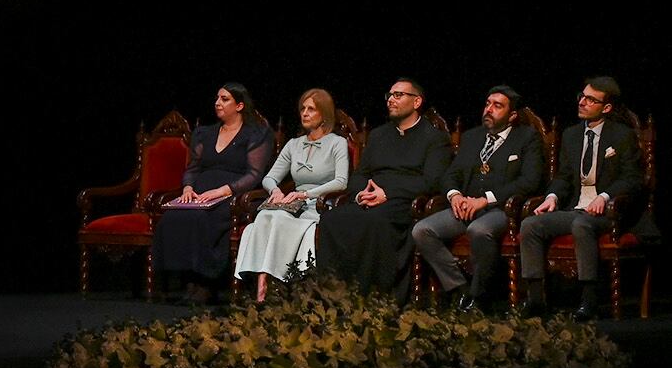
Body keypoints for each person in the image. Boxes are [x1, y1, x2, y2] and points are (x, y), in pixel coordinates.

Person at [409, 85, 546, 312]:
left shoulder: (527, 138)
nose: (489, 110)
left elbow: (530, 181)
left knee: (479, 230)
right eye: (487, 104)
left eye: (497, 106)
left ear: (512, 115)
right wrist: (455, 196)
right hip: (466, 206)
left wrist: (485, 200)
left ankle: (480, 296)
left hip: (503, 210)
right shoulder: (472, 137)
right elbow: (451, 174)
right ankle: (461, 290)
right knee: (422, 230)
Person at [518, 76, 644, 321]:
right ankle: (535, 301)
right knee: (530, 225)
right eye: (582, 96)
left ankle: (589, 299)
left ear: (606, 108)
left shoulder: (622, 135)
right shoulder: (572, 135)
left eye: (590, 99)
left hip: (609, 213)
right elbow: (564, 175)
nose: (582, 102)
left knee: (582, 224)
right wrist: (552, 196)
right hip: (576, 207)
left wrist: (605, 197)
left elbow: (633, 178)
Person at [317, 78, 453, 301]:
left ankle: (372, 296)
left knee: (373, 222)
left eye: (398, 95)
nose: (391, 99)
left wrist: (388, 193)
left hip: (404, 202)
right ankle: (331, 294)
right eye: (389, 95)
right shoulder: (379, 135)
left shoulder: (434, 138)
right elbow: (361, 173)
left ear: (417, 101)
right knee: (332, 219)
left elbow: (432, 181)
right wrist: (361, 193)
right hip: (369, 198)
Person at [153, 82, 272, 305]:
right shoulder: (204, 133)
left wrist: (223, 191)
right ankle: (190, 281)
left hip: (235, 195)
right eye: (217, 98)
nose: (218, 103)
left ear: (239, 105)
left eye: (225, 99)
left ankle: (207, 284)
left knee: (204, 219)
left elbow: (255, 174)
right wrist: (188, 188)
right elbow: (193, 168)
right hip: (200, 192)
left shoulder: (256, 134)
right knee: (175, 217)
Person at [233, 88, 348, 303]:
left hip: (319, 205)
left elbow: (341, 181)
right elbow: (269, 177)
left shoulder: (337, 143)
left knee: (275, 219)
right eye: (303, 108)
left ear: (324, 114)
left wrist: (305, 194)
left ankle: (270, 287)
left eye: (311, 109)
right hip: (291, 205)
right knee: (266, 216)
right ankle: (263, 285)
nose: (304, 113)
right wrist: (275, 191)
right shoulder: (294, 144)